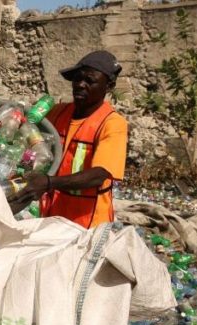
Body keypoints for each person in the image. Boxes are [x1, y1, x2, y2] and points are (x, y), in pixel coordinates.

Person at [9, 50, 128, 229]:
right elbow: (22, 125)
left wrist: (49, 183)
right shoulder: (57, 113)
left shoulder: (112, 124)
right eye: (77, 79)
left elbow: (98, 176)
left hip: (86, 225)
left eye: (90, 81)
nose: (80, 85)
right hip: (50, 217)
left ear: (109, 86)